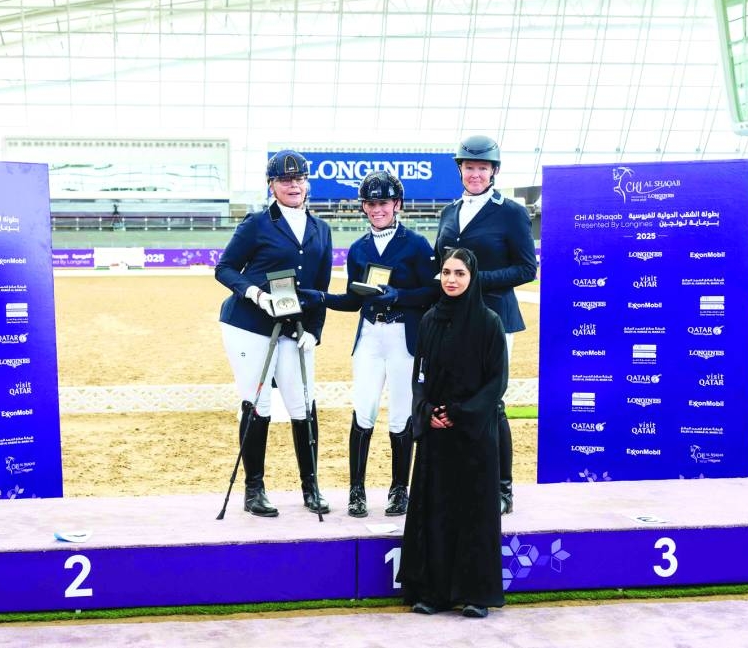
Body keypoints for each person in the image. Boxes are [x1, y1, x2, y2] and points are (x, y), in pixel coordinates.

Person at [298, 170, 438, 518]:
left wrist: (400, 296)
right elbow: (353, 299)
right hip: (370, 337)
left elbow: (432, 292)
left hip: (405, 337)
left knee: (401, 415)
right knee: (364, 409)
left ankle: (399, 490)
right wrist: (320, 297)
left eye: (384, 202)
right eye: (371, 203)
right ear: (363, 207)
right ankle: (356, 490)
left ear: (397, 204)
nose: (377, 209)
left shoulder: (417, 244)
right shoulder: (359, 249)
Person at [215, 149, 333, 517]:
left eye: (298, 179)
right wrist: (255, 293)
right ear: (272, 185)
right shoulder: (256, 224)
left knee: (303, 404)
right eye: (284, 180)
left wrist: (314, 331)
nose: (292, 185)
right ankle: (254, 490)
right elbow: (225, 268)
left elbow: (321, 288)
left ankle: (310, 487)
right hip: (249, 325)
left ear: (306, 182)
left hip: (294, 329)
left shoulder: (321, 229)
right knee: (259, 403)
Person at [397, 247, 507, 619]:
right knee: (437, 512)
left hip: (473, 436)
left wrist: (462, 414)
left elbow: (497, 382)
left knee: (473, 514)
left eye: (459, 273)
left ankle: (476, 594)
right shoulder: (429, 319)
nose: (451, 280)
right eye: (446, 272)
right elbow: (420, 375)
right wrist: (426, 412)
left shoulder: (489, 322)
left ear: (472, 277)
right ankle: (435, 591)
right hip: (438, 435)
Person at [434, 134, 537, 515]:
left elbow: (527, 268)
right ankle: (464, 481)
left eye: (482, 168)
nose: (475, 174)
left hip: (495, 318)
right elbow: (440, 265)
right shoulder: (448, 212)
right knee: (458, 398)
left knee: (491, 403)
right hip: (452, 320)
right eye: (469, 167)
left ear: (493, 171)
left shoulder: (510, 212)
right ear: (460, 169)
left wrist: (477, 280)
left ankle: (502, 487)